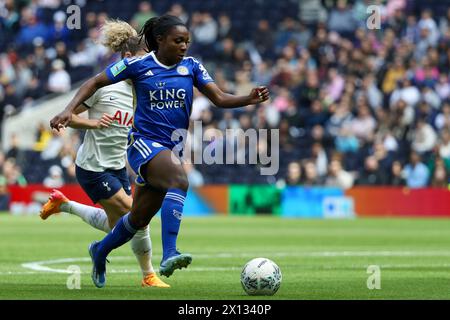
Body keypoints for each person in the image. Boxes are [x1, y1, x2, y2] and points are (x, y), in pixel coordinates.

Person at [50, 14, 269, 288]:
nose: (184, 46)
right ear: (160, 40)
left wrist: (248, 98)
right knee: (180, 179)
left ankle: (100, 250)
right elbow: (94, 82)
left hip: (168, 148)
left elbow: (220, 98)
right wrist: (68, 110)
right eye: (178, 40)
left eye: (187, 41)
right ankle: (170, 253)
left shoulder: (192, 66)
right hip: (142, 144)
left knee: (138, 219)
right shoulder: (138, 65)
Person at [41, 19, 169, 288]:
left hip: (116, 167)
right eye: (146, 58)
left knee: (119, 226)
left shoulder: (141, 92)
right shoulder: (106, 86)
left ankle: (64, 204)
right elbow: (68, 117)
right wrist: (92, 123)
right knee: (137, 216)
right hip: (92, 167)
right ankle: (147, 275)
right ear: (128, 57)